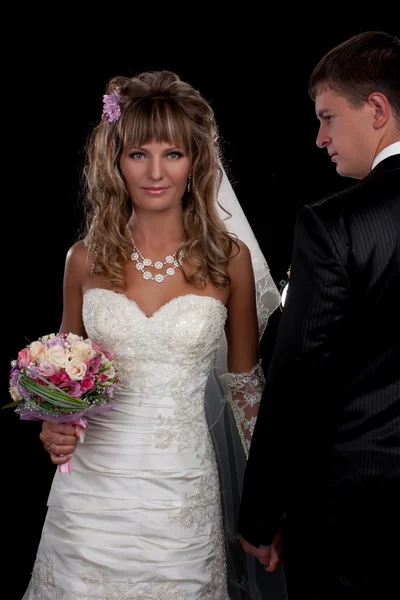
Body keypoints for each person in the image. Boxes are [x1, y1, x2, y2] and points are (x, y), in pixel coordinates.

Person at [22, 70, 286, 599]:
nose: (156, 172)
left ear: (197, 161)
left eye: (174, 153)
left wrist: (267, 506)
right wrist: (52, 426)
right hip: (91, 495)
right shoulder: (83, 259)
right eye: (139, 153)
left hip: (180, 490)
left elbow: (245, 392)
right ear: (116, 161)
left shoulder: (227, 260)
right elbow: (61, 374)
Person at [238, 30, 400, 599]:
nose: (319, 137)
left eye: (329, 117)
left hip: (356, 514)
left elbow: (296, 377)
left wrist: (259, 513)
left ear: (377, 109)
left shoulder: (335, 224)